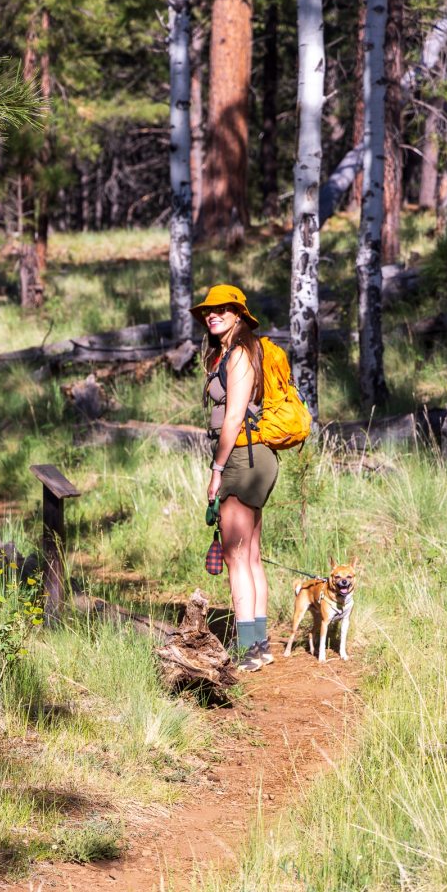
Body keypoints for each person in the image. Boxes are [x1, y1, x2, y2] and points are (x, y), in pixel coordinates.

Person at [191, 284, 278, 673]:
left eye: (223, 309)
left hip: (243, 458)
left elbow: (233, 418)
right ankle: (259, 645)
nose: (212, 314)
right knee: (251, 554)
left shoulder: (240, 354)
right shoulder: (231, 353)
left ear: (240, 314)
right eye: (208, 310)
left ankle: (246, 650)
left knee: (236, 557)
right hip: (252, 457)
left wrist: (217, 469)